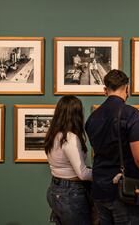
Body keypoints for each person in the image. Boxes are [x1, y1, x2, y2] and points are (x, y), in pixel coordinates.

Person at [85, 70, 139, 225]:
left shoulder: (92, 117)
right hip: (124, 192)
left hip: (99, 189)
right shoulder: (132, 114)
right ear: (127, 88)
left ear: (105, 90)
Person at [45, 95, 94, 225]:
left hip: (55, 189)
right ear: (76, 114)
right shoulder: (70, 138)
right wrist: (103, 174)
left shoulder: (53, 135)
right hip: (71, 193)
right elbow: (82, 174)